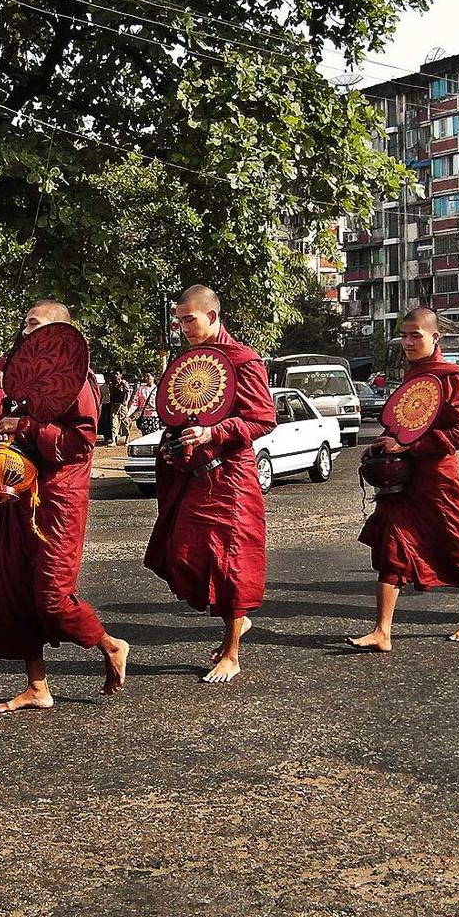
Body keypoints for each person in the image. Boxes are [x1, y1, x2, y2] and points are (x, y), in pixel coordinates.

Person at [0, 301, 130, 712]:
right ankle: (37, 686)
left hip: (59, 497)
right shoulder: (20, 383)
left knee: (52, 596)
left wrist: (25, 426)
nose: (27, 331)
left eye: (36, 325)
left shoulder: (76, 380)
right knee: (10, 588)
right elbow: (7, 443)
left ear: (61, 333)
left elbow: (80, 442)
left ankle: (109, 643)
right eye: (25, 324)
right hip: (17, 497)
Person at [144, 285, 277, 683]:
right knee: (182, 556)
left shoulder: (243, 361)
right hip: (193, 478)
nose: (183, 327)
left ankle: (232, 652)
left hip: (231, 477)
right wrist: (175, 443)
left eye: (190, 319)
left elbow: (263, 419)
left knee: (231, 563)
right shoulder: (190, 363)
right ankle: (236, 621)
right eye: (179, 320)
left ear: (213, 317)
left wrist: (215, 432)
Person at [350, 307, 459, 647]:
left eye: (415, 335)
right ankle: (382, 631)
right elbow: (403, 424)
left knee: (456, 543)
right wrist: (384, 443)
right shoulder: (412, 375)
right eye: (404, 335)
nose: (407, 342)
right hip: (404, 480)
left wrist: (408, 448)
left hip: (437, 477)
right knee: (391, 546)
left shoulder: (453, 377)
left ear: (435, 337)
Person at [129, 370, 159, 434]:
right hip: (144, 417)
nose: (146, 378)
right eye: (145, 376)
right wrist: (129, 413)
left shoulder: (158, 389)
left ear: (154, 377)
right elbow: (135, 403)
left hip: (156, 417)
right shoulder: (141, 389)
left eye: (148, 376)